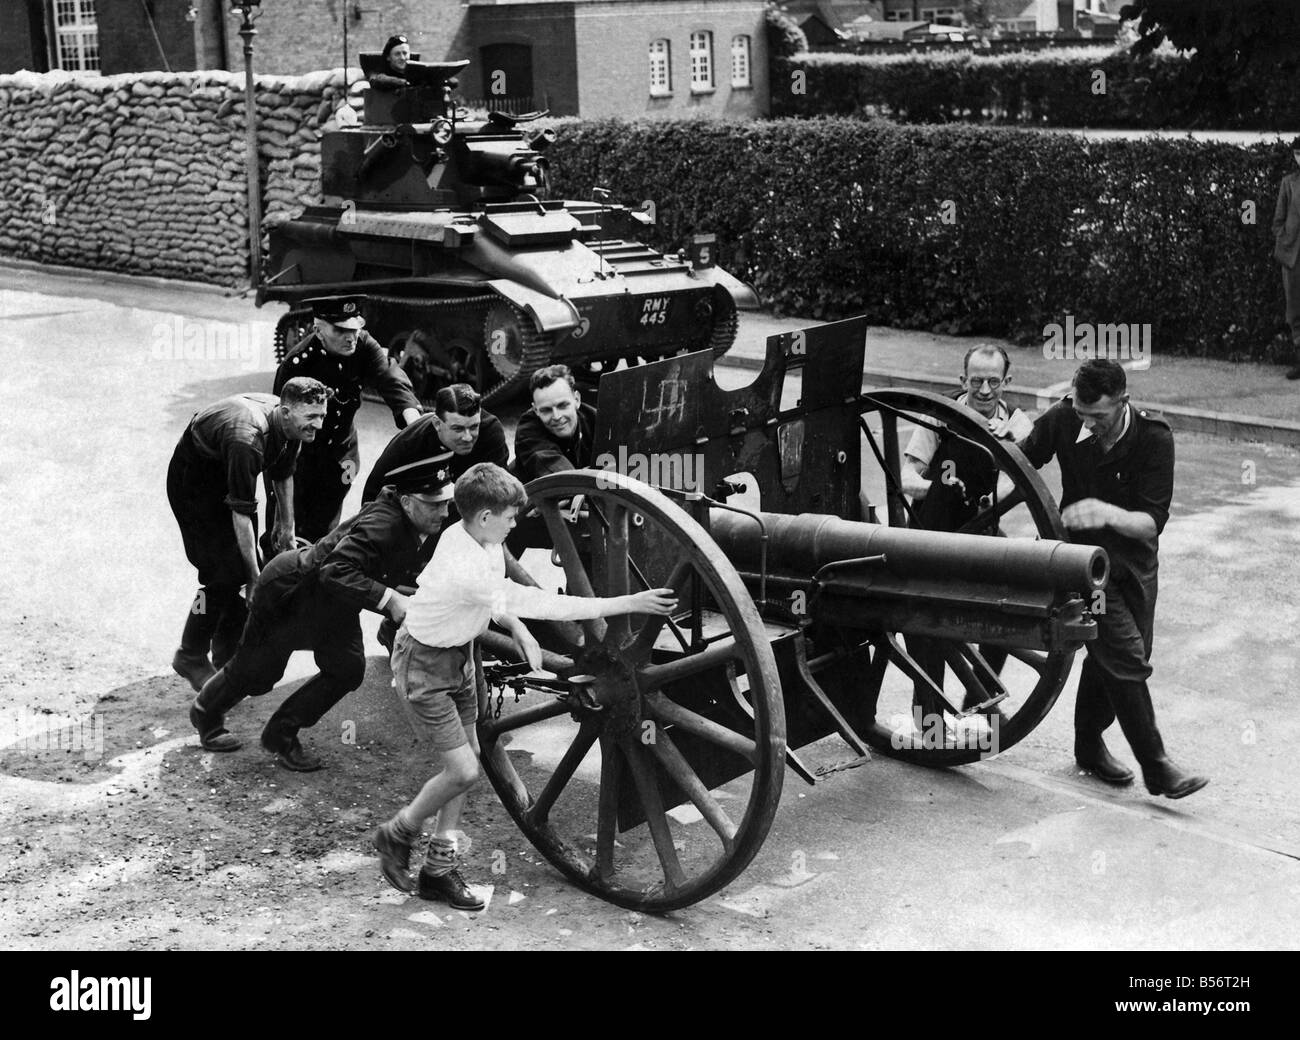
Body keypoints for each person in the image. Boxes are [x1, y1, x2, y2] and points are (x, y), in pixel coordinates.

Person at [371, 463, 677, 907]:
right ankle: (396, 832)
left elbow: (497, 599)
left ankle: (438, 870)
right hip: (425, 667)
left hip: (458, 656)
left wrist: (518, 629)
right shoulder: (462, 561)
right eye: (511, 516)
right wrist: (629, 601)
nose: (517, 523)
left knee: (471, 759)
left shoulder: (478, 538)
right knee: (462, 771)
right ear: (485, 517)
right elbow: (537, 600)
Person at [189, 455, 456, 772]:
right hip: (289, 595)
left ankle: (281, 733)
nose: (444, 511)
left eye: (447, 501)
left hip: (335, 602)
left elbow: (374, 569)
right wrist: (390, 599)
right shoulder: (384, 525)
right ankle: (205, 712)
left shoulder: (415, 519)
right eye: (434, 503)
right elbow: (335, 570)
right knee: (257, 674)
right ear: (408, 501)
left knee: (347, 669)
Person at [1017, 359, 1208, 799]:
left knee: (1124, 653)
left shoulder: (1154, 438)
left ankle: (1088, 745)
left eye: (1098, 417)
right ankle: (1157, 767)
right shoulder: (1064, 418)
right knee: (1123, 654)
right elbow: (1020, 462)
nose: (1088, 424)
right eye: (1082, 413)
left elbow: (1151, 522)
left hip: (1135, 564)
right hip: (1085, 566)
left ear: (1124, 401)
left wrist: (1105, 513)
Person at [167, 379, 329, 693]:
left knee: (239, 567)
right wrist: (254, 577)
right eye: (311, 418)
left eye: (321, 415)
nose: (318, 425)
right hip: (194, 486)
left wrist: (288, 529)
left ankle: (227, 655)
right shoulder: (248, 438)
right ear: (285, 412)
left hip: (228, 476)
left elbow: (283, 474)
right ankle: (190, 654)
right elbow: (241, 512)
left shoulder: (290, 426)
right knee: (222, 574)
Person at [900, 345, 1034, 719]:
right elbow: (908, 476)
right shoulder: (940, 419)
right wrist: (939, 489)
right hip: (934, 529)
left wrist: (1013, 440)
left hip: (981, 530)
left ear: (1007, 381)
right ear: (963, 381)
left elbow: (1024, 474)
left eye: (994, 381)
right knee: (928, 625)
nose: (986, 390)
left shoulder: (1015, 423)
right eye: (977, 381)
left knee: (1015, 604)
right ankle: (929, 722)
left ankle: (980, 693)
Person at [270, 295, 422, 547]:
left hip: (343, 456)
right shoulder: (297, 364)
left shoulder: (363, 345)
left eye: (354, 328)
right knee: (285, 532)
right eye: (340, 330)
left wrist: (413, 420)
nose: (350, 337)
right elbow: (278, 427)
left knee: (325, 531)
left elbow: (389, 377)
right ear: (318, 330)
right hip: (301, 459)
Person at [362, 384, 508, 504]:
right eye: (458, 428)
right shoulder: (411, 444)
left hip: (471, 503)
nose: (468, 437)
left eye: (474, 427)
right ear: (437, 424)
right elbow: (373, 493)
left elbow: (499, 487)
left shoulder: (490, 431)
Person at [509, 365, 598, 555]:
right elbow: (563, 478)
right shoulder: (528, 430)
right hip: (521, 520)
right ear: (535, 410)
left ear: (577, 399)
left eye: (563, 405)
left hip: (573, 510)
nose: (557, 417)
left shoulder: (595, 419)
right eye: (547, 410)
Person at [1272, 136, 1300, 380]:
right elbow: (1277, 219)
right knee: (1294, 310)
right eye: (1298, 154)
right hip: (1293, 256)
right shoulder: (1289, 183)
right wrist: (1285, 238)